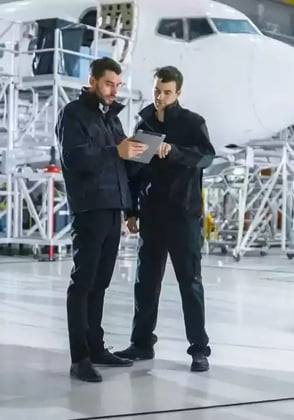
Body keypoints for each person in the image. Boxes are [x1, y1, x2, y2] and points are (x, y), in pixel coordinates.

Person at [114, 66, 215, 372]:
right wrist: (130, 211)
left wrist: (175, 151)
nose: (160, 97)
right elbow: (134, 172)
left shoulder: (193, 123)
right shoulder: (143, 123)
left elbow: (206, 157)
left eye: (167, 92)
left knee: (190, 284)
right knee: (145, 283)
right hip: (153, 217)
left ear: (178, 93)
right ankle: (142, 343)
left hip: (184, 217)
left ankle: (199, 350)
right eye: (157, 90)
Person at [56, 57, 148, 383]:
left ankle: (96, 348)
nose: (114, 90)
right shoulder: (74, 114)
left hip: (113, 208)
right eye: (109, 84)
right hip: (90, 207)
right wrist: (117, 151)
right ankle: (79, 357)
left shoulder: (111, 118)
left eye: (117, 85)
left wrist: (143, 155)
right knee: (83, 284)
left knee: (100, 284)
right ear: (93, 80)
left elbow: (122, 164)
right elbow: (75, 157)